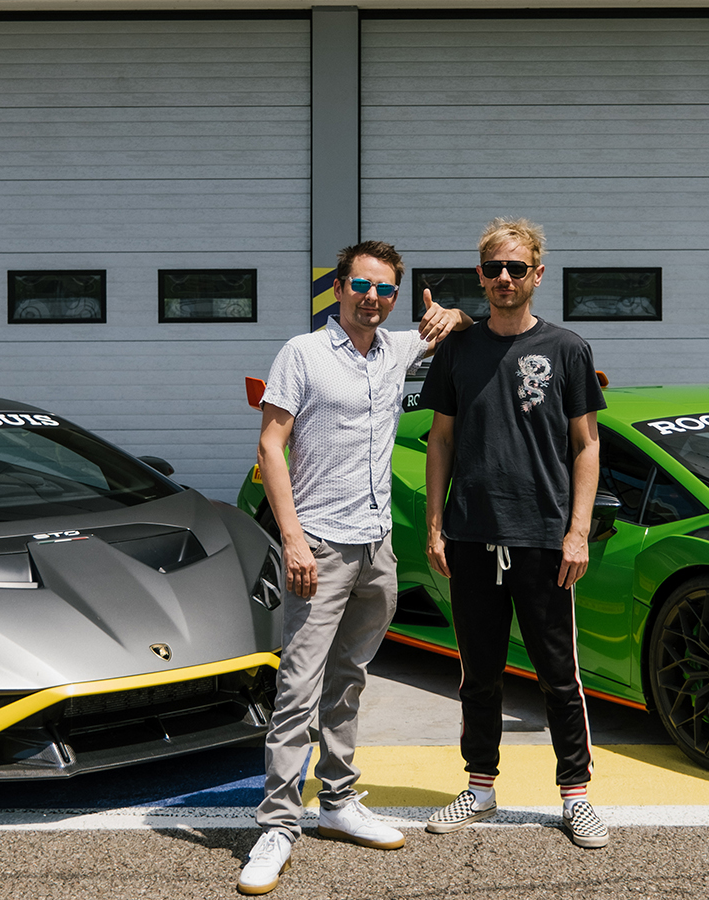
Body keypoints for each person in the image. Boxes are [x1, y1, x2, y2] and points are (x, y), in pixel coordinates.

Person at [238, 240, 471, 895]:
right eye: (362, 286)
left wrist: (451, 314)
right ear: (338, 288)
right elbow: (271, 446)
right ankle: (278, 826)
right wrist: (293, 539)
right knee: (297, 691)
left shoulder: (395, 349)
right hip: (321, 547)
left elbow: (456, 327)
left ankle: (338, 803)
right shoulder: (303, 353)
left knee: (348, 681)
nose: (374, 298)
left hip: (377, 548)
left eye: (386, 290)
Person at [419, 218, 610, 849]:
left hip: (543, 537)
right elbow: (440, 439)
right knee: (480, 671)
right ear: (481, 275)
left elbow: (586, 445)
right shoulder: (457, 349)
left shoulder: (567, 350)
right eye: (494, 269)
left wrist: (577, 532)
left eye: (517, 268)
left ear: (537, 274)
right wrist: (436, 526)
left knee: (559, 674)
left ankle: (576, 796)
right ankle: (479, 787)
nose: (505, 278)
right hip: (472, 534)